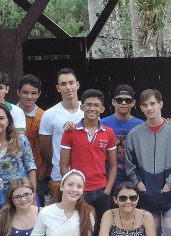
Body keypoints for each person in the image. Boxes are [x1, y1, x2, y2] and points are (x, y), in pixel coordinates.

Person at [122, 89, 171, 236]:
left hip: (170, 196)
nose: (149, 108)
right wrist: (139, 184)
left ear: (160, 104)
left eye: (153, 103)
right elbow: (130, 165)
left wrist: (170, 185)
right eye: (145, 105)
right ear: (141, 108)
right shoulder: (134, 134)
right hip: (145, 196)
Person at [59, 89, 117, 220]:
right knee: (80, 230)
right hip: (79, 192)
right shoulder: (70, 131)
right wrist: (73, 188)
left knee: (101, 231)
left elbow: (113, 165)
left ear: (102, 109)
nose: (92, 108)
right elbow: (63, 165)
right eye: (89, 105)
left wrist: (107, 191)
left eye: (96, 105)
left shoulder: (108, 133)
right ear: (82, 107)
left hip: (102, 190)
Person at [38, 67, 83, 200]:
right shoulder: (49, 115)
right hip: (59, 176)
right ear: (58, 88)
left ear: (77, 85)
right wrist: (58, 162)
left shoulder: (89, 110)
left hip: (86, 175)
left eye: (71, 82)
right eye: (63, 84)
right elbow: (45, 148)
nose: (68, 87)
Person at [0, 103, 37, 209]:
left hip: (23, 196)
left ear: (8, 121)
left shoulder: (20, 140)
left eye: (1, 118)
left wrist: (32, 195)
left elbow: (31, 167)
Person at [17, 74, 45, 175]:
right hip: (14, 170)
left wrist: (43, 171)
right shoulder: (9, 114)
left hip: (38, 170)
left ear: (39, 94)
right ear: (18, 92)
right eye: (25, 92)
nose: (29, 97)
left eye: (33, 93)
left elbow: (47, 148)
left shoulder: (44, 116)